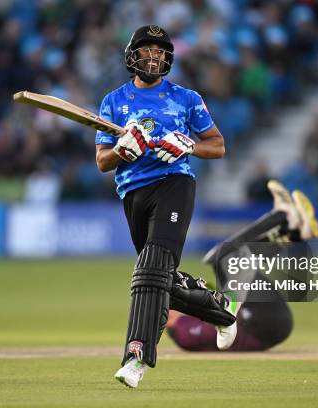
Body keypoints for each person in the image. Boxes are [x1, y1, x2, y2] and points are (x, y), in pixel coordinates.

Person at [94, 25, 236, 388]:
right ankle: (221, 309)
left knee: (151, 267)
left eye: (160, 51)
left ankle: (136, 356)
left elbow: (217, 145)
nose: (154, 56)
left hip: (175, 185)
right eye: (147, 50)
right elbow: (102, 161)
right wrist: (121, 151)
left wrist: (187, 144)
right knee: (159, 277)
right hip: (133, 194)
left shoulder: (186, 98)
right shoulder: (113, 101)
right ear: (133, 56)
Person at [167, 181, 318, 352]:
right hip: (261, 324)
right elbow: (216, 331)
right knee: (223, 257)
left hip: (263, 319)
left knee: (229, 258)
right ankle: (286, 221)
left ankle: (292, 228)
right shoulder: (182, 332)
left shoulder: (187, 317)